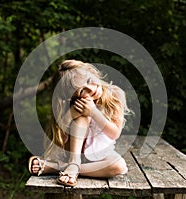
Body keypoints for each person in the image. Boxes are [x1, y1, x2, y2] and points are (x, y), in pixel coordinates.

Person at [28, 59, 131, 187]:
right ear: (72, 97)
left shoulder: (115, 94)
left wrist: (94, 112)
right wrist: (70, 115)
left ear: (92, 72)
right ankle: (73, 163)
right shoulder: (73, 106)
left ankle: (59, 168)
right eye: (82, 91)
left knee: (119, 166)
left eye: (88, 80)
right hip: (73, 154)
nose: (91, 89)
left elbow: (114, 133)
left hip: (99, 156)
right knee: (82, 115)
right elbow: (60, 140)